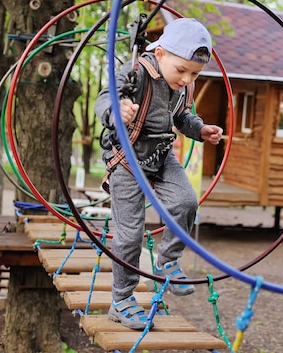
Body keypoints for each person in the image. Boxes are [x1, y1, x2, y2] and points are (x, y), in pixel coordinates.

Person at [94, 18, 223, 330]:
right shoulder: (136, 72)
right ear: (161, 53)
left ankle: (166, 261)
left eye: (195, 73)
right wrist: (116, 111)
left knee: (186, 202)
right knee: (130, 234)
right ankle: (122, 300)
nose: (187, 78)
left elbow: (182, 117)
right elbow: (105, 98)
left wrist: (201, 128)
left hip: (161, 156)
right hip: (127, 160)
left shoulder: (183, 84)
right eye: (182, 70)